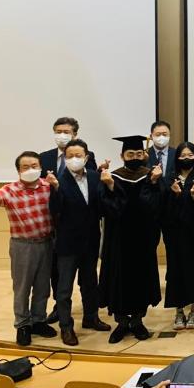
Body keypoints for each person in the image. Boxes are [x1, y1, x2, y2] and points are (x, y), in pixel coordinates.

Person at [0, 153, 57, 346]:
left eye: (34, 165)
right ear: (18, 170)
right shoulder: (10, 190)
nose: (31, 170)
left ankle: (39, 320)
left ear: (40, 167)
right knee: (22, 287)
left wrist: (56, 185)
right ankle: (22, 325)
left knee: (42, 287)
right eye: (25, 167)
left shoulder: (49, 186)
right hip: (23, 245)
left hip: (47, 243)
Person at [49, 139, 113, 345]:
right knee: (64, 288)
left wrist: (109, 185)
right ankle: (66, 326)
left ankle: (91, 318)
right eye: (70, 156)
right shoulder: (58, 180)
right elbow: (54, 210)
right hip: (68, 243)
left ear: (86, 158)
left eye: (78, 155)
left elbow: (101, 206)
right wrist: (55, 189)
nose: (74, 159)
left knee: (90, 283)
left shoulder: (94, 177)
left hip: (91, 240)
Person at [99, 136, 163, 343]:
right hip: (118, 240)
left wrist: (153, 182)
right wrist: (110, 186)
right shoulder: (113, 177)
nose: (134, 157)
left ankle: (137, 321)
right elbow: (112, 210)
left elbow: (152, 207)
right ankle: (121, 322)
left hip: (143, 239)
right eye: (130, 154)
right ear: (122, 156)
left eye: (138, 154)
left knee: (141, 278)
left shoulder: (151, 176)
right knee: (118, 279)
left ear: (144, 155)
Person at [160, 142, 194, 331]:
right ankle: (178, 311)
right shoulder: (170, 178)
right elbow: (163, 210)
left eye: (190, 155)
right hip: (175, 236)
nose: (186, 158)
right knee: (176, 273)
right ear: (177, 158)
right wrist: (175, 196)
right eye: (182, 155)